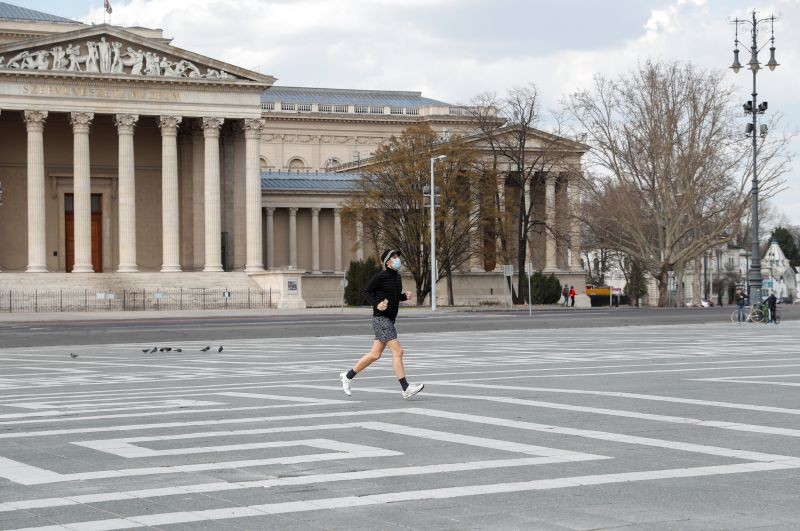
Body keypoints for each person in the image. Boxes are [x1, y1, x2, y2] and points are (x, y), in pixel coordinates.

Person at [339, 249, 424, 399]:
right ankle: (405, 388)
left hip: (389, 319)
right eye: (395, 257)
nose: (398, 259)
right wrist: (377, 304)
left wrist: (404, 296)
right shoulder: (380, 276)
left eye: (398, 256)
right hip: (381, 319)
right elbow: (366, 291)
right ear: (388, 262)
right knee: (398, 351)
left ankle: (348, 375)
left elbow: (394, 297)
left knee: (375, 354)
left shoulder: (397, 277)